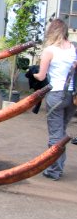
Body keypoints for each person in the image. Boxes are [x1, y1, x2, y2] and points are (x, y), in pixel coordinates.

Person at [33, 18, 77, 180]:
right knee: (61, 131)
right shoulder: (74, 49)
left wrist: (33, 73)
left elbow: (41, 76)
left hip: (56, 95)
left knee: (56, 134)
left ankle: (54, 170)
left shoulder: (50, 50)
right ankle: (57, 166)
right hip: (72, 97)